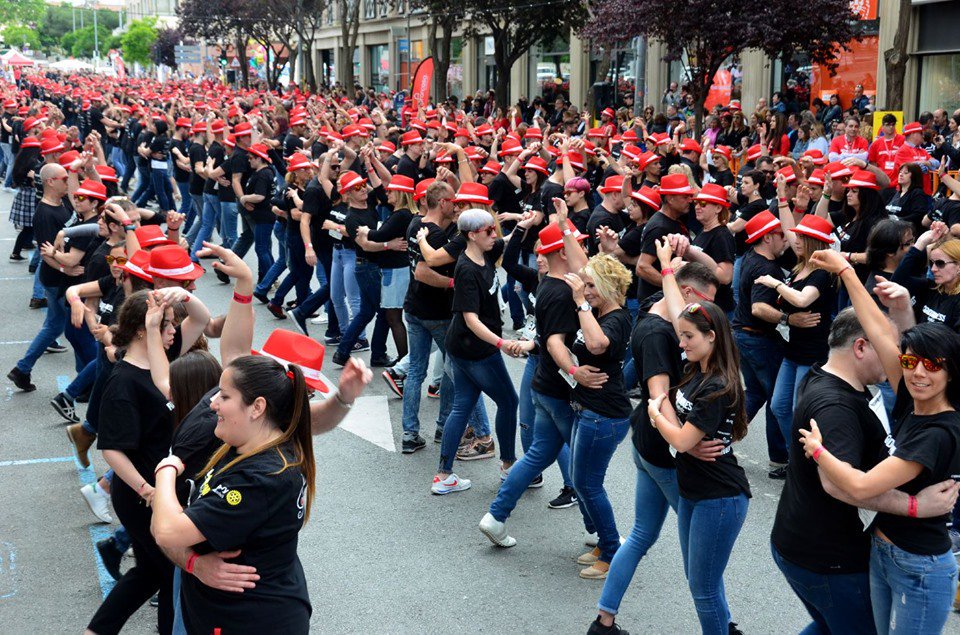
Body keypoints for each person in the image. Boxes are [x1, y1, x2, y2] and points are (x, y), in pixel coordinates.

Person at [799, 247, 960, 635]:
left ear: (951, 372)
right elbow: (874, 328)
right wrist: (847, 272)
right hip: (884, 549)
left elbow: (858, 484)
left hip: (921, 566)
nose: (919, 373)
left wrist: (818, 450)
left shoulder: (940, 432)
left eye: (932, 365)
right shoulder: (912, 394)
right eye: (911, 362)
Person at [587, 263, 721, 635]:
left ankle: (604, 620)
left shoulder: (655, 313)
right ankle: (723, 625)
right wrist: (687, 445)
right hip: (663, 451)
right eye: (710, 301)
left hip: (649, 445)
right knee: (703, 559)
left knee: (643, 533)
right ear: (690, 296)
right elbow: (659, 398)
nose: (715, 311)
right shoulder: (659, 334)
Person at [150, 353, 318, 634]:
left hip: (250, 621)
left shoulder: (261, 478)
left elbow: (166, 531)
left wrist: (165, 470)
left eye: (224, 397)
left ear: (257, 407)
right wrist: (194, 563)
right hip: (221, 614)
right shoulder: (241, 444)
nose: (212, 404)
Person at [647, 237, 751, 635]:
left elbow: (682, 442)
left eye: (688, 337)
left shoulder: (717, 386)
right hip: (694, 491)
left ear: (710, 337)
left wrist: (657, 413)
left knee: (703, 589)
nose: (681, 341)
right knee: (701, 582)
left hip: (719, 497)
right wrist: (667, 270)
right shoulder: (700, 367)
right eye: (681, 335)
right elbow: (680, 314)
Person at [86, 290, 180, 634]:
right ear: (143, 330)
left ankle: (98, 630)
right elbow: (111, 448)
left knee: (149, 572)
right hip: (141, 496)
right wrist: (148, 489)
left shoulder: (157, 368)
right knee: (171, 573)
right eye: (167, 325)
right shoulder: (123, 381)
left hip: (157, 492)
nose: (174, 332)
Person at [430, 208, 527, 493]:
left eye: (494, 229)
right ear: (472, 236)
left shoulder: (484, 249)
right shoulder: (466, 269)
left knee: (462, 405)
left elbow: (505, 241)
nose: (494, 235)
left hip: (462, 346)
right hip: (475, 349)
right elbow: (470, 319)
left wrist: (524, 225)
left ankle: (443, 475)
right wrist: (501, 343)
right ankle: (509, 467)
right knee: (509, 401)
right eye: (489, 231)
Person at [560, 254, 633, 579]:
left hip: (603, 415)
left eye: (592, 285)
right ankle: (604, 545)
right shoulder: (602, 312)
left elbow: (597, 343)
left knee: (589, 485)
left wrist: (581, 303)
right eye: (585, 285)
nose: (586, 290)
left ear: (608, 287)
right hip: (587, 409)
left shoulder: (614, 318)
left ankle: (612, 551)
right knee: (581, 481)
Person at [757, 214, 836, 470]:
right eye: (797, 236)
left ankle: (806, 465)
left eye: (803, 237)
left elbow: (803, 300)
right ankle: (797, 458)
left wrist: (775, 284)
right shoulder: (798, 266)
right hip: (793, 350)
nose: (796, 240)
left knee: (799, 410)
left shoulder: (823, 274)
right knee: (780, 406)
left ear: (815, 243)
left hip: (813, 352)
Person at [8, 163, 76, 392]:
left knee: (53, 326)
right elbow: (47, 255)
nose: (67, 182)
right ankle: (84, 384)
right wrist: (68, 270)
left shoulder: (63, 202)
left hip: (60, 278)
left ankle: (22, 369)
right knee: (78, 330)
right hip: (57, 280)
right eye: (64, 178)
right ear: (50, 181)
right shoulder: (44, 213)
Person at [891, 221, 960, 332]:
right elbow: (897, 282)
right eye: (932, 263)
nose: (933, 269)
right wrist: (920, 244)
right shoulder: (931, 287)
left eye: (940, 263)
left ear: (958, 266)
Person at [885, 163, 932, 235]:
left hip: (908, 233)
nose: (901, 174)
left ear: (914, 176)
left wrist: (898, 220)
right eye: (900, 172)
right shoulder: (897, 193)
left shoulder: (917, 193)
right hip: (892, 231)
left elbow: (918, 215)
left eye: (905, 173)